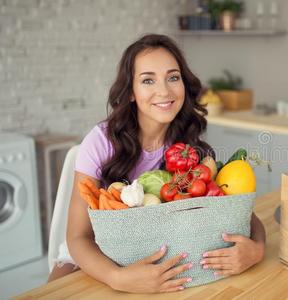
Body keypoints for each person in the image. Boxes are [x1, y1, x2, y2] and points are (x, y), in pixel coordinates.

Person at [47, 34, 266, 294]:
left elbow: (240, 212)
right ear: (130, 91)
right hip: (97, 257)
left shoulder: (190, 148)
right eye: (148, 80)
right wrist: (116, 277)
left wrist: (257, 250)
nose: (164, 91)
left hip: (161, 254)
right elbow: (77, 238)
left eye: (173, 77)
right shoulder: (102, 142)